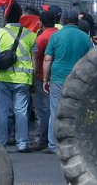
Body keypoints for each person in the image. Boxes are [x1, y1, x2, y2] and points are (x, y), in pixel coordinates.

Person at [43, 9, 93, 154]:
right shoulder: (85, 37)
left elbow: (47, 59)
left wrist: (46, 79)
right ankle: (74, 143)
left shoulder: (56, 36)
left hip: (58, 77)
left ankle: (53, 144)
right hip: (77, 79)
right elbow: (91, 59)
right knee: (76, 111)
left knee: (55, 111)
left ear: (63, 20)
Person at [0, 3, 37, 153]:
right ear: (20, 17)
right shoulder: (31, 35)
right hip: (23, 78)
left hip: (2, 77)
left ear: (5, 16)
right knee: (21, 112)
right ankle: (23, 143)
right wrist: (33, 79)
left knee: (2, 112)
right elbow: (34, 59)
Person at [30, 10, 59, 152]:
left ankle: (43, 139)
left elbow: (36, 58)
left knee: (42, 110)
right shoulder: (58, 34)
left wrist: (34, 77)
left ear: (40, 23)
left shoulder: (42, 38)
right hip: (58, 77)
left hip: (43, 78)